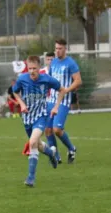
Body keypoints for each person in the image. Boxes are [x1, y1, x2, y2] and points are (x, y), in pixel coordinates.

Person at [12, 55, 66, 187]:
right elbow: (14, 92)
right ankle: (51, 153)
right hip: (27, 117)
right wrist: (22, 104)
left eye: (34, 68)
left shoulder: (46, 79)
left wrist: (56, 107)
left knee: (32, 142)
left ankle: (31, 178)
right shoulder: (22, 79)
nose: (32, 71)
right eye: (29, 68)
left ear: (39, 68)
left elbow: (62, 90)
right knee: (38, 145)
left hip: (41, 116)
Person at [46, 38, 81, 164]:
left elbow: (78, 80)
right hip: (51, 100)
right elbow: (49, 80)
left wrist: (67, 90)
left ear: (65, 49)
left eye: (60, 48)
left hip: (63, 101)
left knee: (56, 129)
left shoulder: (70, 63)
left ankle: (71, 149)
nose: (58, 51)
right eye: (56, 48)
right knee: (47, 130)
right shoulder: (53, 62)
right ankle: (56, 155)